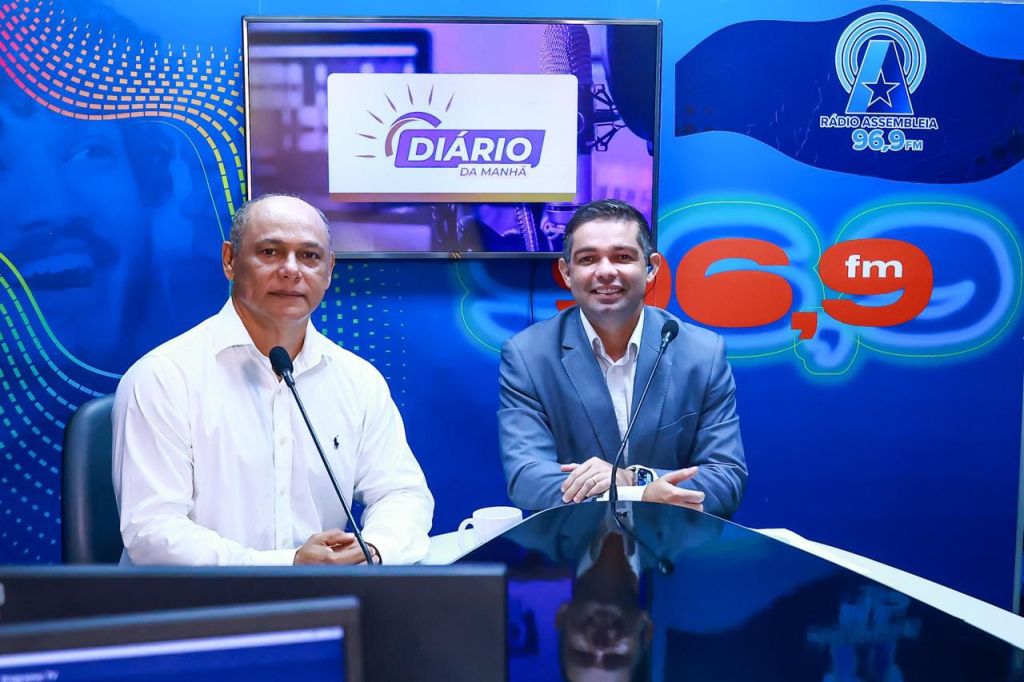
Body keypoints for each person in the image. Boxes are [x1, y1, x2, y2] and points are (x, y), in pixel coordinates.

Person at [112, 194, 434, 565]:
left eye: (309, 256)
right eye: (270, 252)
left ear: (329, 270)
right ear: (229, 260)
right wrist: (288, 565)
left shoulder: (358, 381)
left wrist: (372, 549)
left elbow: (401, 493)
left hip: (325, 598)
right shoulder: (163, 377)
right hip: (199, 600)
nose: (291, 270)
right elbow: (152, 531)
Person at [498, 199, 746, 517]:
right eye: (588, 259)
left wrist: (636, 479)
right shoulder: (528, 355)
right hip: (574, 542)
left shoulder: (702, 353)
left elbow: (726, 478)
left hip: (670, 541)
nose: (606, 271)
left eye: (623, 257)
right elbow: (527, 478)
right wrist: (631, 492)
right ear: (567, 272)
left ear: (651, 268)